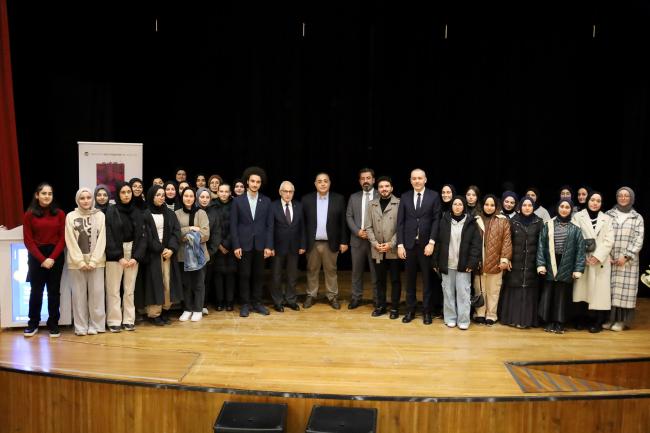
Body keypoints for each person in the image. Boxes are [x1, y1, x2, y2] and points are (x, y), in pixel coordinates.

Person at [396, 168, 441, 324]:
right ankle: (410, 310)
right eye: (414, 178)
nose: (417, 181)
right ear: (410, 181)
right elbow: (400, 222)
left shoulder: (434, 196)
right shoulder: (405, 197)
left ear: (425, 179)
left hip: (426, 246)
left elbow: (436, 220)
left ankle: (427, 312)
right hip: (409, 245)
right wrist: (400, 244)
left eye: (419, 178)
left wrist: (432, 242)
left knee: (427, 280)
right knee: (410, 280)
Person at [22, 183, 66, 337]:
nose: (47, 196)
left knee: (53, 291)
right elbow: (28, 241)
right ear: (37, 195)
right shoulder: (29, 215)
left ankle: (53, 323)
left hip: (55, 255)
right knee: (36, 291)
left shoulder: (60, 214)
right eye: (44, 193)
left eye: (50, 193)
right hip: (36, 257)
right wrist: (42, 259)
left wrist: (52, 258)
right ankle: (33, 323)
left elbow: (63, 238)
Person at [537, 199, 585, 334]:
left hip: (567, 263)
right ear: (558, 208)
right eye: (562, 206)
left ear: (571, 210)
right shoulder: (548, 225)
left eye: (567, 207)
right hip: (550, 262)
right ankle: (548, 321)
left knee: (562, 294)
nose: (564, 209)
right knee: (549, 293)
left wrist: (578, 269)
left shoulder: (575, 228)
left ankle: (559, 322)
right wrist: (541, 264)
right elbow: (541, 245)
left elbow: (580, 250)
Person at [230, 167, 274, 317]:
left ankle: (257, 303)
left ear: (261, 183)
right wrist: (236, 245)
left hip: (261, 245)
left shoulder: (266, 201)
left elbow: (270, 226)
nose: (255, 184)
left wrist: (269, 246)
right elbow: (233, 225)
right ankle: (245, 304)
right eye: (253, 181)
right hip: (244, 245)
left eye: (258, 182)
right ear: (247, 182)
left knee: (259, 275)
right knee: (244, 275)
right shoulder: (237, 201)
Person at [302, 172, 349, 309]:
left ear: (329, 183)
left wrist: (344, 241)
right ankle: (311, 295)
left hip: (331, 242)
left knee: (331, 271)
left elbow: (342, 222)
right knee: (312, 270)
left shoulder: (338, 199)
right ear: (315, 184)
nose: (322, 184)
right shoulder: (306, 199)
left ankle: (332, 296)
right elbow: (303, 224)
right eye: (319, 181)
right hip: (312, 243)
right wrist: (302, 243)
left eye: (325, 181)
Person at [433, 196, 481, 330]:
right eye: (455, 204)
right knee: (448, 293)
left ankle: (463, 320)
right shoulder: (444, 221)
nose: (457, 206)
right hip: (447, 264)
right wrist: (435, 261)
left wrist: (472, 263)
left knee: (463, 294)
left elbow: (476, 245)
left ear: (464, 206)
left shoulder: (471, 222)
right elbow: (438, 242)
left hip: (464, 266)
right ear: (451, 206)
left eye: (460, 204)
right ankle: (450, 318)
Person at [105, 182, 147, 332]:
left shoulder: (137, 211)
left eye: (129, 192)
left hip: (132, 252)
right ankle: (114, 320)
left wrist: (136, 257)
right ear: (118, 194)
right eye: (123, 192)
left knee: (129, 290)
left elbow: (142, 236)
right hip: (115, 254)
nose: (127, 195)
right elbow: (108, 235)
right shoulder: (111, 211)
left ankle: (129, 319)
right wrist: (119, 256)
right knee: (113, 289)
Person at [65, 187, 107, 336]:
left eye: (88, 197)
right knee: (78, 297)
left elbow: (102, 239)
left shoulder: (100, 215)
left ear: (92, 199)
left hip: (97, 262)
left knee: (97, 296)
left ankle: (96, 325)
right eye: (82, 198)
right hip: (76, 264)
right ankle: (81, 326)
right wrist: (80, 261)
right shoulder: (70, 216)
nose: (85, 201)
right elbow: (70, 240)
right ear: (77, 200)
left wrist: (94, 260)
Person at [571, 191, 614, 333]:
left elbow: (609, 240)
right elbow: (574, 237)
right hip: (583, 259)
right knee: (582, 291)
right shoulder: (578, 216)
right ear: (587, 201)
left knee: (599, 293)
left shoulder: (607, 219)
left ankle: (598, 321)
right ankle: (580, 319)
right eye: (592, 200)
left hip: (600, 261)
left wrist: (597, 256)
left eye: (598, 201)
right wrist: (581, 255)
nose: (595, 203)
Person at [604, 187, 645, 331]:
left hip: (628, 262)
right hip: (610, 259)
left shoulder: (637, 217)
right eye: (620, 195)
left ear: (631, 198)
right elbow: (603, 235)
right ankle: (610, 319)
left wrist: (626, 256)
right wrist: (607, 255)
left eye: (626, 196)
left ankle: (621, 321)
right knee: (610, 291)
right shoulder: (609, 214)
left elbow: (638, 239)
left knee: (624, 292)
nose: (623, 198)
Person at [142, 185, 183, 326]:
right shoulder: (146, 214)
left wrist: (171, 249)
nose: (161, 197)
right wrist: (160, 249)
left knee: (167, 282)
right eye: (158, 195)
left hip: (168, 254)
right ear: (151, 197)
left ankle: (165, 310)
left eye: (163, 195)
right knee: (155, 284)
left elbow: (176, 232)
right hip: (153, 254)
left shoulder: (170, 213)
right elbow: (146, 236)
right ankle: (154, 314)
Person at [500, 196, 543, 328]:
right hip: (515, 262)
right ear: (520, 207)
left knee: (529, 291)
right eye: (524, 205)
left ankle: (527, 321)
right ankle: (512, 319)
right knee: (514, 289)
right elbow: (507, 242)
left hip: (531, 263)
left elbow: (542, 244)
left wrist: (540, 263)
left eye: (530, 205)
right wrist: (507, 258)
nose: (527, 208)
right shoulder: (513, 221)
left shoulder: (539, 222)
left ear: (533, 207)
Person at [365, 176, 402, 318]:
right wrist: (375, 243)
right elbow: (368, 227)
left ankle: (395, 308)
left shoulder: (399, 203)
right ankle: (380, 306)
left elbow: (401, 227)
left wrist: (391, 244)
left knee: (395, 279)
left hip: (393, 249)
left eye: (387, 186)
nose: (384, 189)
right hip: (377, 249)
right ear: (378, 189)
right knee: (379, 280)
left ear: (391, 188)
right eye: (381, 186)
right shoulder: (371, 204)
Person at [473, 195, 512, 325]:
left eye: (492, 205)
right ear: (482, 205)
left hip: (496, 261)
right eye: (486, 204)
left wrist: (504, 260)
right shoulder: (476, 220)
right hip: (479, 261)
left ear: (496, 207)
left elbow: (507, 241)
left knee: (493, 290)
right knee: (479, 289)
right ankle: (479, 313)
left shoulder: (503, 221)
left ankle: (491, 314)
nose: (489, 207)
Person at [270, 181, 305, 312]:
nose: (288, 194)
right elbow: (269, 228)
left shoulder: (299, 206)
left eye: (291, 192)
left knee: (292, 276)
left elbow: (302, 227)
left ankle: (291, 300)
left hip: (294, 247)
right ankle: (278, 301)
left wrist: (302, 244)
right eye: (285, 191)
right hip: (277, 248)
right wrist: (270, 246)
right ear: (280, 192)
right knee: (276, 276)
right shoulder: (273, 206)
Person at [176, 188, 210, 322]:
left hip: (199, 255)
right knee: (186, 284)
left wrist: (186, 235)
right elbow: (177, 233)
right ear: (182, 197)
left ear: (194, 198)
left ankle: (197, 309)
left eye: (191, 196)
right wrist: (191, 229)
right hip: (182, 255)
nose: (188, 198)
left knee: (198, 284)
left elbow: (205, 234)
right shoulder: (177, 214)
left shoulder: (201, 213)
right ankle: (187, 309)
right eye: (186, 196)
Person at [346, 168, 378, 309]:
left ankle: (377, 299)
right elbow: (349, 216)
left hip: (375, 241)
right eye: (363, 178)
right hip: (357, 240)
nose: (366, 181)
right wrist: (357, 231)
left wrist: (372, 234)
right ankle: (356, 298)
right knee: (356, 272)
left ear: (373, 180)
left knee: (376, 273)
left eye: (368, 178)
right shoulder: (354, 197)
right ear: (360, 181)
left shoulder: (380, 195)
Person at [196, 187, 222, 314]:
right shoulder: (193, 210)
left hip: (208, 252)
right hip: (192, 251)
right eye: (202, 197)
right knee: (193, 279)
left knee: (206, 279)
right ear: (197, 197)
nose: (205, 199)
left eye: (207, 197)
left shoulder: (214, 212)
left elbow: (217, 233)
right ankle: (191, 305)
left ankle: (203, 304)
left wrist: (211, 251)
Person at [212, 183, 237, 311]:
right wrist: (219, 244)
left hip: (231, 246)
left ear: (230, 193)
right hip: (217, 246)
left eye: (226, 191)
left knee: (230, 275)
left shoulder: (235, 205)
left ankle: (230, 301)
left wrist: (227, 244)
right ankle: (219, 301)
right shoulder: (212, 205)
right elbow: (211, 227)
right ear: (217, 192)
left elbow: (237, 226)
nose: (224, 194)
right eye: (221, 191)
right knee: (218, 274)